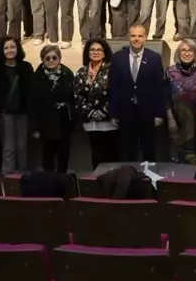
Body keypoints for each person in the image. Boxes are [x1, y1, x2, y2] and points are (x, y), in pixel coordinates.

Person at [108, 24, 167, 162]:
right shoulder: (117, 58)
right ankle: (129, 174)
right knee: (127, 150)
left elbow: (159, 87)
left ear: (145, 38)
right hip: (125, 113)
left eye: (140, 36)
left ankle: (148, 174)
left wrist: (159, 113)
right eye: (133, 36)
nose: (136, 39)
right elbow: (113, 87)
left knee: (148, 149)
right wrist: (113, 113)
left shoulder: (154, 58)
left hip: (147, 113)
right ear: (128, 37)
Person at [0, 36, 34, 175]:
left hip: (23, 114)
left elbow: (32, 92)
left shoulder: (26, 67)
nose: (10, 50)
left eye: (12, 47)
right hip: (4, 115)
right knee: (8, 147)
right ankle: (8, 178)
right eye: (6, 48)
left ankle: (23, 176)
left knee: (23, 146)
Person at [29, 44, 76, 173]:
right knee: (47, 158)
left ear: (60, 58)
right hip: (45, 124)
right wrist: (34, 128)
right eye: (47, 58)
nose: (51, 60)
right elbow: (32, 104)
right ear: (42, 59)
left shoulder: (67, 74)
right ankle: (49, 183)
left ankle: (62, 182)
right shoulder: (36, 77)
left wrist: (73, 119)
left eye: (54, 57)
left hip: (64, 123)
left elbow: (73, 98)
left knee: (63, 157)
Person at [72, 37, 116, 169]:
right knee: (96, 157)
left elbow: (117, 93)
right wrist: (90, 112)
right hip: (91, 123)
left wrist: (103, 111)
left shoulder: (113, 70)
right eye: (92, 50)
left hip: (109, 123)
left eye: (99, 50)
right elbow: (77, 95)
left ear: (105, 53)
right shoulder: (82, 72)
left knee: (111, 157)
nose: (95, 52)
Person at [166, 40, 196, 166]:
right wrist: (170, 119)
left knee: (194, 160)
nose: (187, 53)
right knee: (177, 162)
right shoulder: (170, 72)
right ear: (178, 53)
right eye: (183, 50)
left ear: (195, 53)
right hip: (176, 122)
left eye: (190, 50)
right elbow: (166, 98)